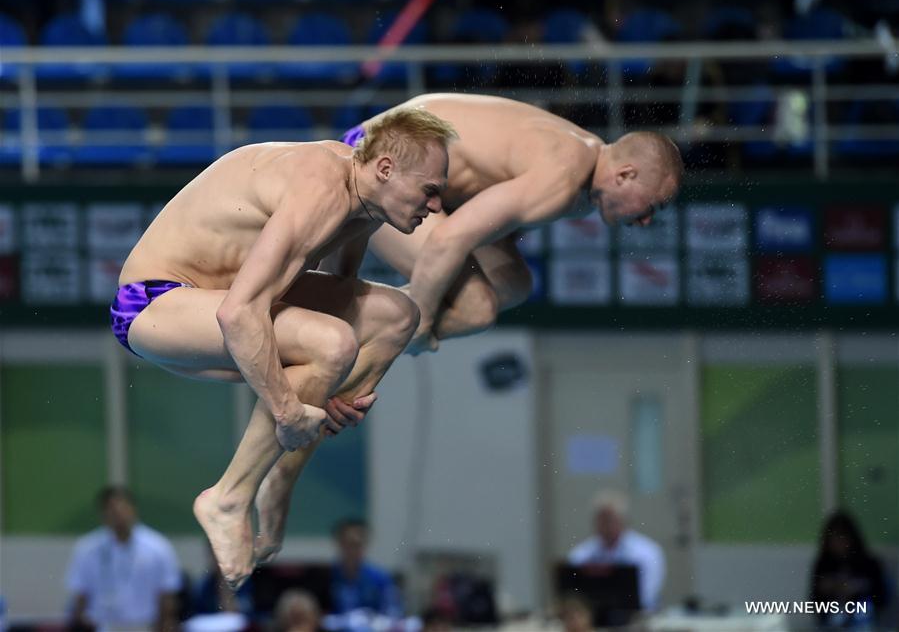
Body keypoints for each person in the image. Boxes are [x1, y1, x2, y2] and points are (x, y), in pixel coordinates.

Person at [111, 107, 457, 588]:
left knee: (397, 315)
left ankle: (281, 471)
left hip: (221, 300)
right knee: (331, 342)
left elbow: (341, 293)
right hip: (154, 303)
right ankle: (229, 497)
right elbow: (238, 314)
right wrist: (287, 410)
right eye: (431, 190)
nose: (437, 207)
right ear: (385, 169)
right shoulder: (320, 187)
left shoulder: (365, 202)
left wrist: (330, 392)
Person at [343, 93, 683, 354]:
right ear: (626, 175)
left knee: (512, 284)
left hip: (411, 167)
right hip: (376, 162)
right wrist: (422, 321)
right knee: (473, 308)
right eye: (652, 205)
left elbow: (482, 232)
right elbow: (448, 239)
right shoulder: (563, 177)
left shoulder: (582, 181)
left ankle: (369, 337)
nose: (647, 220)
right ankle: (347, 341)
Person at [65, 486, 182, 631]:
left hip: (144, 627)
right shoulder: (87, 549)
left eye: (123, 507)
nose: (118, 514)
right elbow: (80, 597)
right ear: (103, 514)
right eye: (112, 509)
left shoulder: (158, 547)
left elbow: (167, 596)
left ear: (134, 510)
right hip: (101, 627)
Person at [567, 490, 665, 612]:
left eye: (610, 520)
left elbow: (646, 597)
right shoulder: (581, 555)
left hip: (635, 619)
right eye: (601, 520)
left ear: (623, 521)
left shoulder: (648, 553)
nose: (606, 526)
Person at [810, 510, 888, 628]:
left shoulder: (869, 564)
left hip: (864, 621)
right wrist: (826, 590)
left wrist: (859, 589)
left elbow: (881, 598)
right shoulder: (823, 565)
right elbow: (814, 602)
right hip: (831, 622)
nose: (838, 543)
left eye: (841, 537)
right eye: (833, 538)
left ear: (852, 538)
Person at [330, 518, 402, 618]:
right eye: (350, 544)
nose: (354, 550)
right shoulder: (327, 577)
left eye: (359, 544)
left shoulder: (380, 578)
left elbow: (393, 611)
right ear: (339, 543)